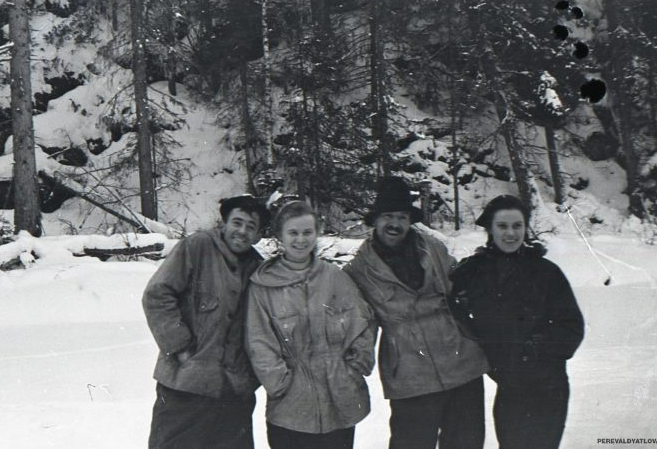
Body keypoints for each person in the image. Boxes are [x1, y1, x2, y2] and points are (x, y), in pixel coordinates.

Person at [343, 177, 488, 449]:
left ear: (410, 221)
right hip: (410, 375)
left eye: (401, 216)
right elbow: (357, 325)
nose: (394, 224)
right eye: (388, 216)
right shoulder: (358, 270)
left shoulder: (433, 248)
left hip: (461, 362)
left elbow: (461, 287)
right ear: (375, 220)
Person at [449, 194, 584, 449]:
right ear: (489, 229)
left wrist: (536, 347)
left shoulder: (546, 272)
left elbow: (572, 327)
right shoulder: (473, 272)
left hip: (547, 388)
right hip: (509, 387)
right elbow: (452, 308)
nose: (510, 233)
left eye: (517, 226)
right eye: (502, 226)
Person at [142, 195, 269, 449]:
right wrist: (180, 349)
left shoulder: (258, 269)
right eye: (237, 222)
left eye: (250, 226)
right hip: (185, 387)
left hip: (234, 394)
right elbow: (157, 295)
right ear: (224, 223)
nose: (242, 231)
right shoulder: (198, 246)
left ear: (257, 235)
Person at [245, 201, 376, 449]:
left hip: (340, 401)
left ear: (317, 233)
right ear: (279, 236)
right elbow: (258, 342)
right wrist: (281, 384)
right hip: (291, 408)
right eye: (293, 233)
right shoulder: (263, 286)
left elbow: (364, 324)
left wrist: (355, 366)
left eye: (307, 232)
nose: (301, 240)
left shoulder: (336, 277)